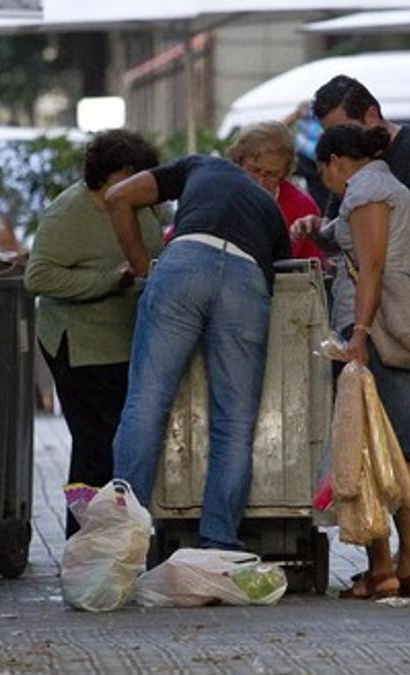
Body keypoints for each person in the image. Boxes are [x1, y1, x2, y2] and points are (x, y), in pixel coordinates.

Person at [306, 74, 410, 586]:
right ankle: (407, 562)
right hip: (383, 324)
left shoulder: (409, 164)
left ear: (371, 114)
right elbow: (352, 240)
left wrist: (391, 227)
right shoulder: (363, 184)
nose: (342, 145)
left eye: (345, 132)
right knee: (401, 437)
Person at [106, 153, 291, 551]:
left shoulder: (201, 166)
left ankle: (124, 536)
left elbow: (118, 196)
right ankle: (220, 542)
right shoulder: (269, 208)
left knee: (146, 404)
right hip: (246, 280)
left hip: (184, 265)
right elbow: (282, 269)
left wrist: (142, 266)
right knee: (234, 425)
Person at [291, 124, 410, 599]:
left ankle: (384, 569)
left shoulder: (366, 191)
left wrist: (360, 334)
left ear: (334, 162)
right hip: (401, 333)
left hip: (376, 338)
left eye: (322, 172)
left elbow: (371, 266)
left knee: (369, 451)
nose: (324, 184)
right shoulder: (392, 187)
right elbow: (362, 248)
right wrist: (322, 231)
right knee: (401, 450)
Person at [24, 129, 162, 537]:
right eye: (134, 177)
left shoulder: (139, 205)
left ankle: (116, 539)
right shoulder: (69, 213)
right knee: (94, 448)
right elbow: (39, 276)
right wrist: (107, 280)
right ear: (113, 175)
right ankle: (83, 543)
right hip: (80, 349)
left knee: (120, 446)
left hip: (124, 344)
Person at [226, 120, 325, 261]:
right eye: (254, 170)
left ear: (284, 173)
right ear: (239, 162)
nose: (260, 182)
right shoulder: (224, 196)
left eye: (271, 174)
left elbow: (313, 270)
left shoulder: (303, 208)